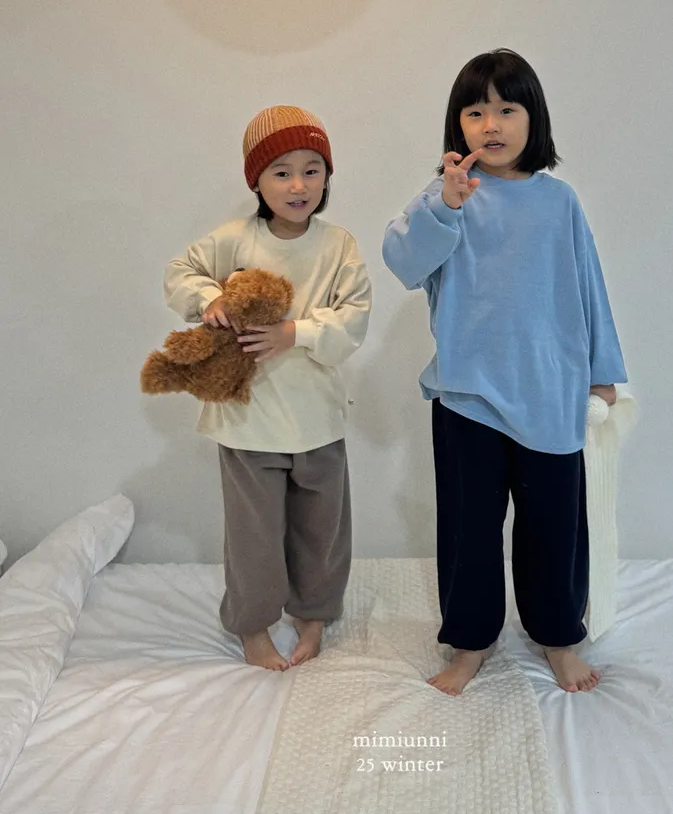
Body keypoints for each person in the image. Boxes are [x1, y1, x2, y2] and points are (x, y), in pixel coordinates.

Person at [382, 50, 626, 695]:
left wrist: (603, 372)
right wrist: (447, 206)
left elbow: (589, 288)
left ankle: (559, 637)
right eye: (475, 111)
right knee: (470, 533)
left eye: (506, 109)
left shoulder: (559, 202)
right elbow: (402, 262)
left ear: (532, 118)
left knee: (554, 530)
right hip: (468, 395)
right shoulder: (447, 195)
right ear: (457, 124)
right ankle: (469, 644)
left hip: (550, 393)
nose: (491, 124)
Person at [164, 105, 371, 670]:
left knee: (322, 528)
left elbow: (354, 317)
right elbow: (180, 272)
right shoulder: (234, 240)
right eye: (282, 172)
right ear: (256, 180)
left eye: (312, 170)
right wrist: (209, 298)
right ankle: (253, 625)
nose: (298, 185)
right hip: (248, 420)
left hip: (317, 417)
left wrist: (293, 332)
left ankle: (313, 612)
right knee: (253, 535)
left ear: (327, 176)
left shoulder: (338, 246)